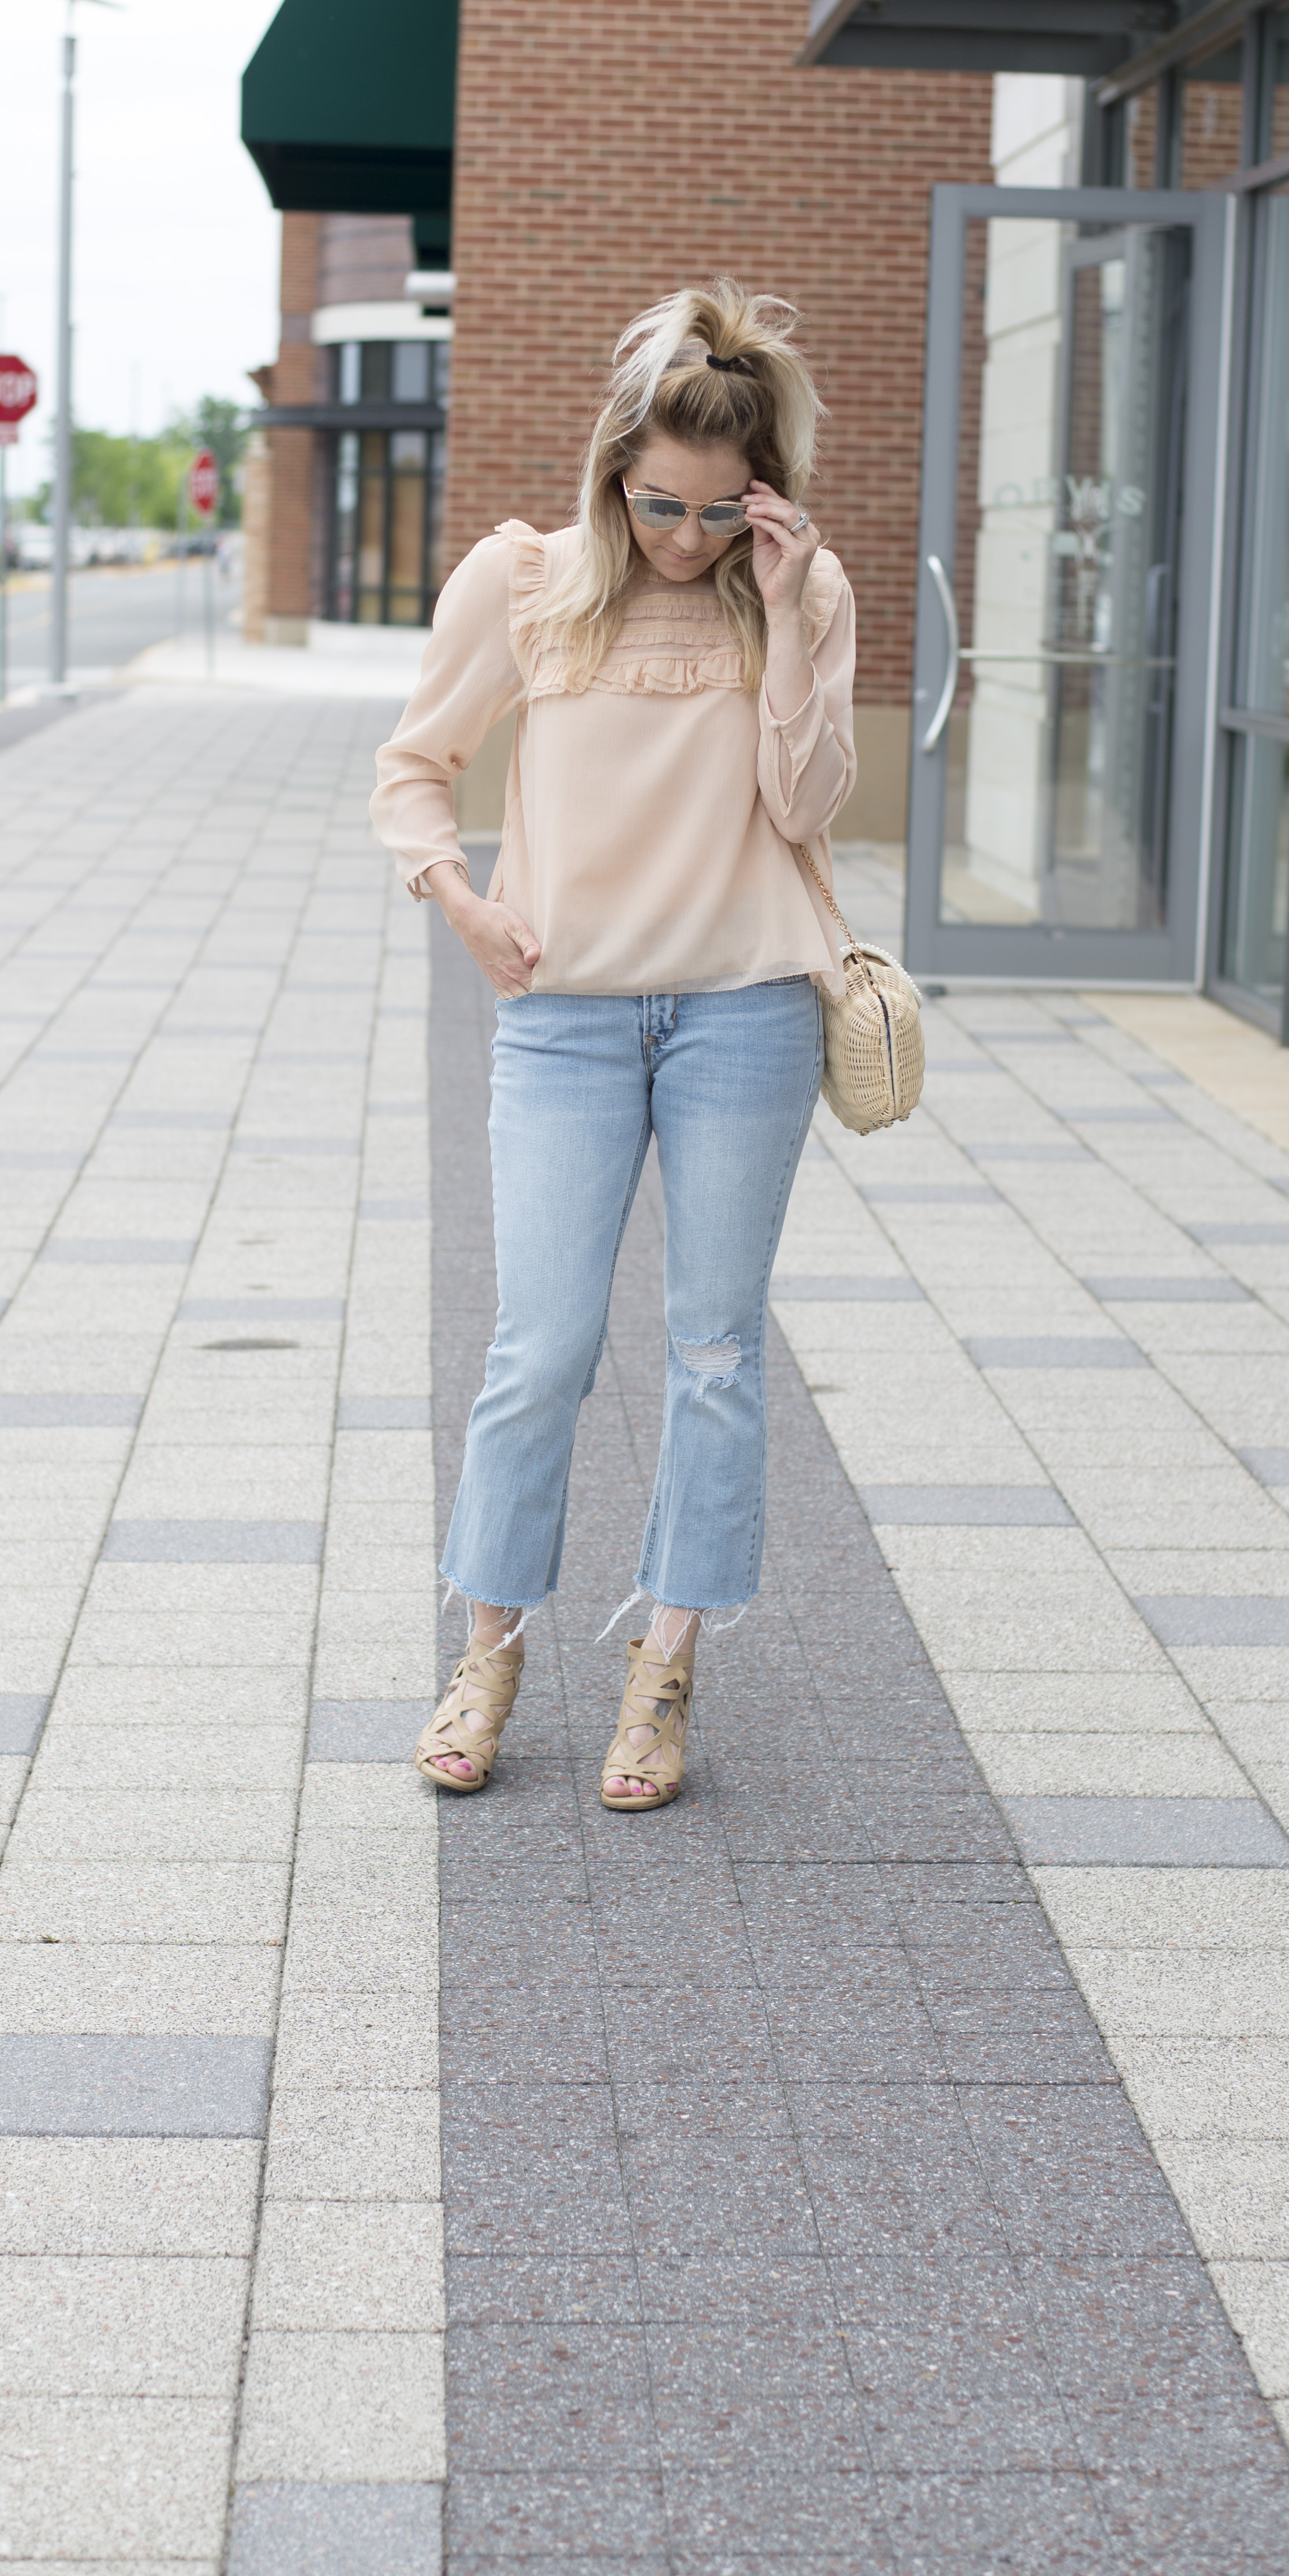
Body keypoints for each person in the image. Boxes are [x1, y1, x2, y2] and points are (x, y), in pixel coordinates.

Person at [369, 279, 856, 1809]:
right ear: (613, 472)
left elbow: (810, 804)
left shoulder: (798, 588)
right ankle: (490, 1647)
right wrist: (462, 899)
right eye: (660, 505)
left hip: (744, 1012)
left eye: (721, 511)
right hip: (567, 1020)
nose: (686, 539)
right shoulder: (521, 582)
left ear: (761, 491)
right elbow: (415, 767)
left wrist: (780, 615)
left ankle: (666, 1671)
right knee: (543, 1347)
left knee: (716, 1348)